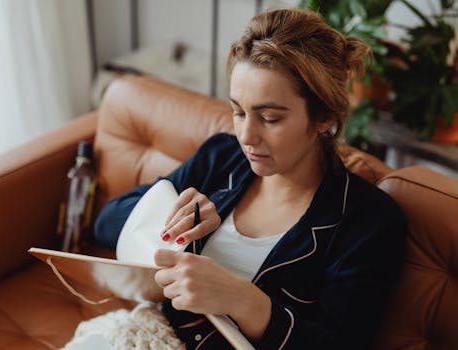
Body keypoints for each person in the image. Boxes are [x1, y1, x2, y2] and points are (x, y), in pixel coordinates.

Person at [93, 8, 406, 350]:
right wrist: (177, 216)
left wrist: (245, 301)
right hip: (147, 334)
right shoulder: (222, 158)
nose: (246, 135)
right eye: (238, 111)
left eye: (270, 118)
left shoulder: (368, 221)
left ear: (324, 117)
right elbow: (107, 221)